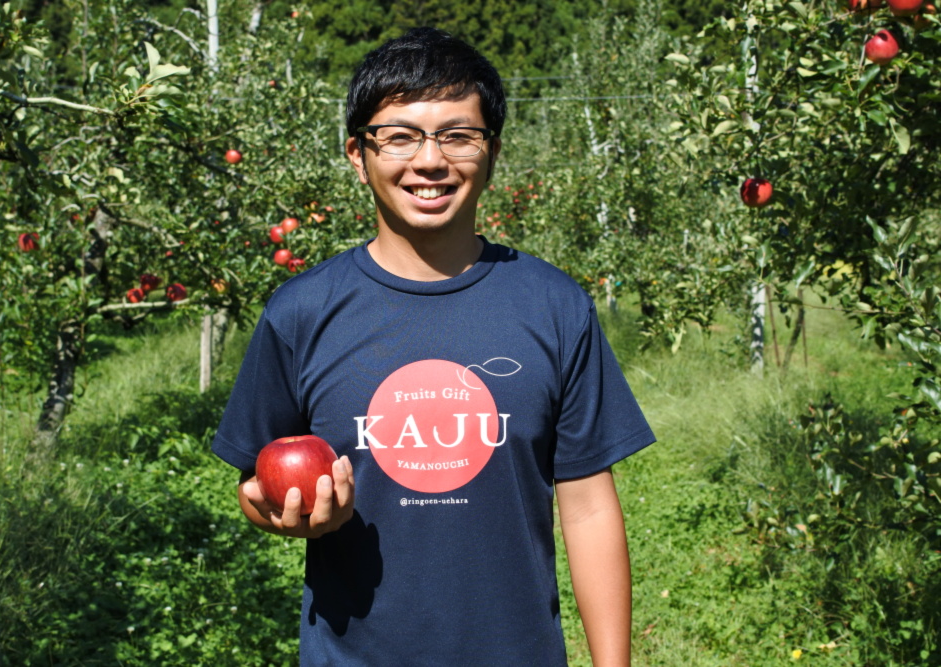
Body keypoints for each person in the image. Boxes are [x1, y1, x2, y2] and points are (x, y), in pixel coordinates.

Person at [212, 27, 655, 666]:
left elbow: (587, 507)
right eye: (399, 136)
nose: (429, 161)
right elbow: (258, 479)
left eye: (457, 135)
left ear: (493, 152)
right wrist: (280, 513)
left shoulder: (554, 307)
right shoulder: (302, 313)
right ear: (357, 156)